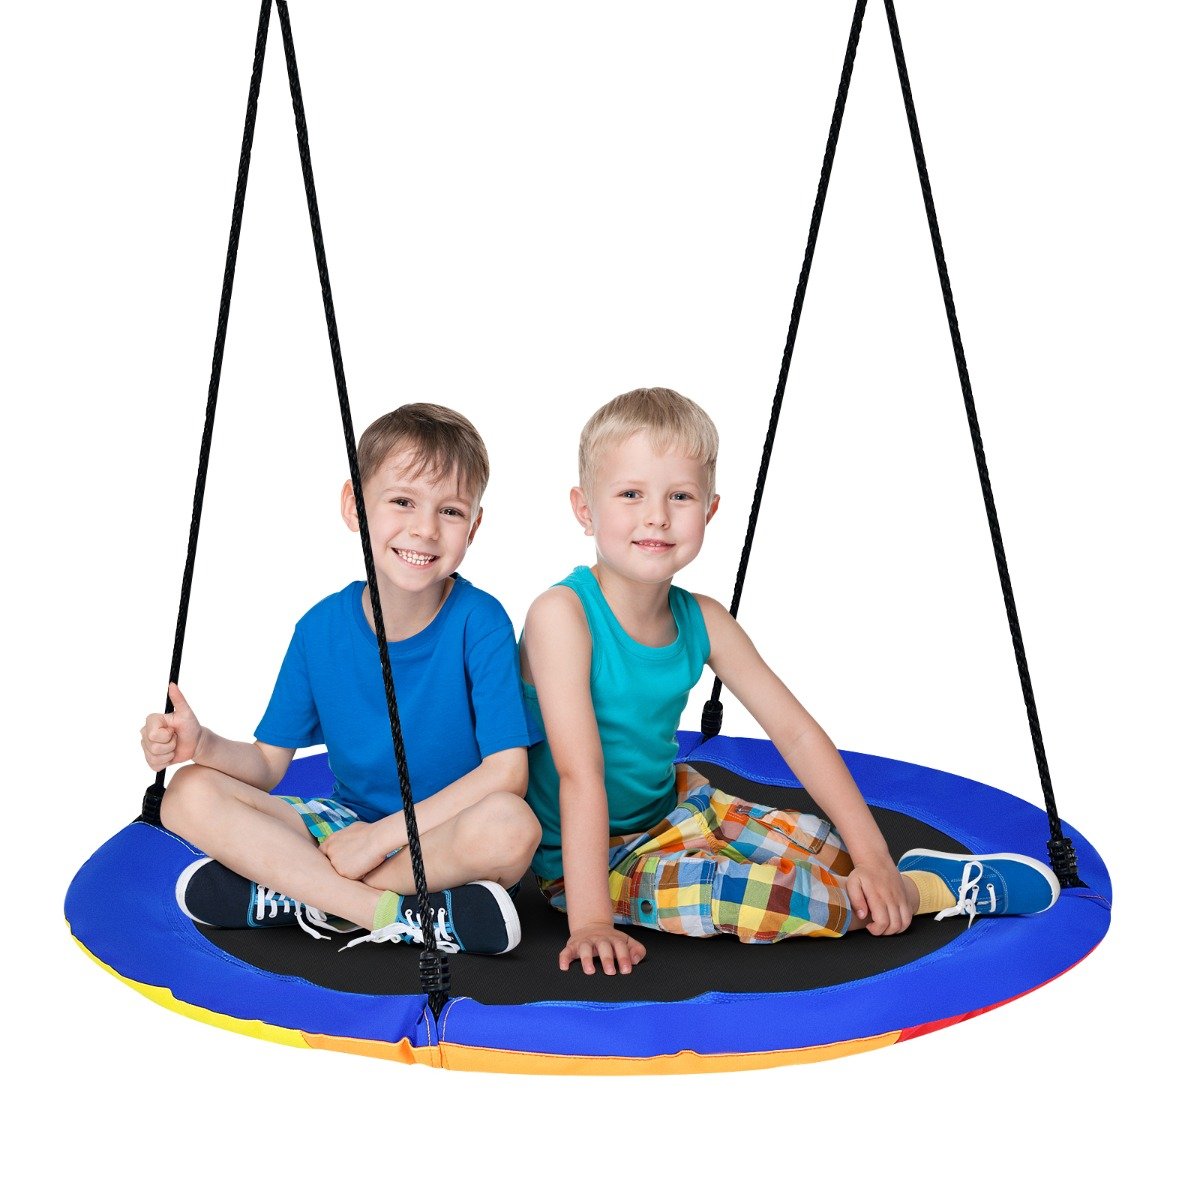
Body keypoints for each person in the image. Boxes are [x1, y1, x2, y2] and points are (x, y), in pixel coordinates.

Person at [520, 387, 1060, 976]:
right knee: (763, 900)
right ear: (584, 509)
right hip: (592, 864)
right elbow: (579, 774)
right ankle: (927, 894)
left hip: (680, 808)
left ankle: (902, 875)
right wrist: (592, 922)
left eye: (680, 495)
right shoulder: (562, 615)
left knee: (830, 850)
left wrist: (874, 857)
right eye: (631, 494)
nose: (657, 515)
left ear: (710, 510)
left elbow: (796, 733)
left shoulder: (704, 619)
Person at [141, 403, 540, 955]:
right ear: (355, 505)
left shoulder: (481, 620)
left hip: (440, 837)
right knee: (187, 793)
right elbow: (266, 766)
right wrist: (202, 744)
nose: (425, 529)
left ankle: (300, 893)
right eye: (402, 501)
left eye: (449, 511)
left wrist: (378, 840)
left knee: (513, 826)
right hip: (343, 828)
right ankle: (379, 913)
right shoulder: (320, 629)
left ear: (472, 527)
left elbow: (507, 774)